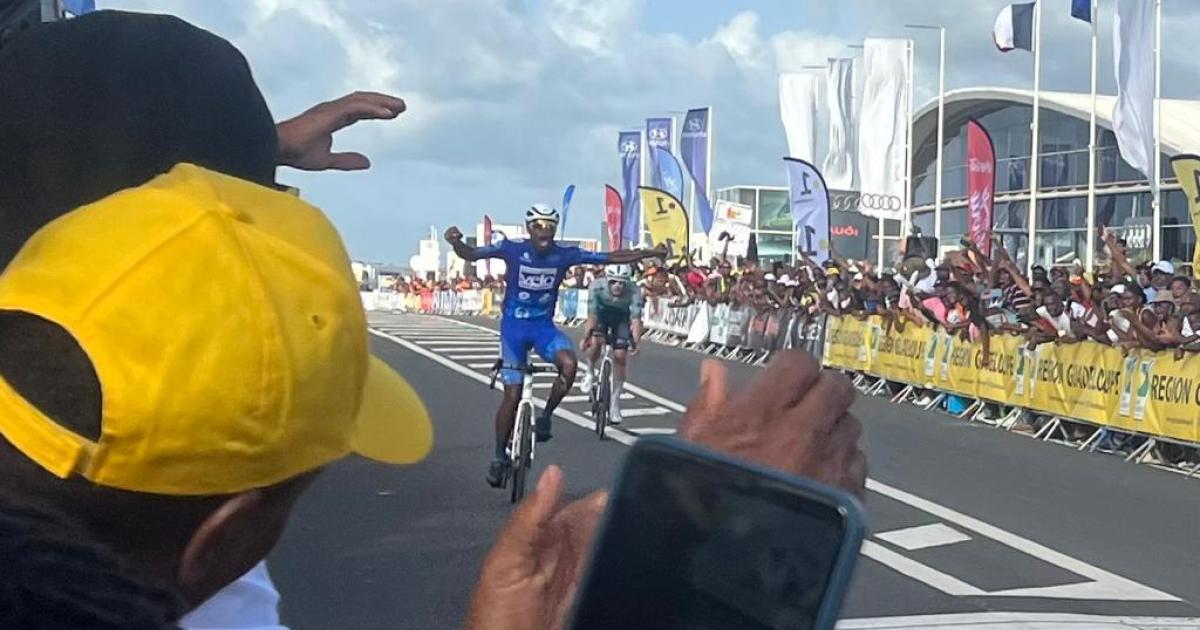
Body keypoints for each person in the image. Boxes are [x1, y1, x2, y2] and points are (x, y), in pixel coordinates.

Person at [444, 207, 664, 487]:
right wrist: (456, 243)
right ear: (529, 228)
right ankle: (499, 456)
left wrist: (647, 254)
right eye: (538, 225)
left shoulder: (565, 254)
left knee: (570, 365)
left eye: (549, 225)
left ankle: (546, 416)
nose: (544, 230)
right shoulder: (512, 248)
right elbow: (472, 255)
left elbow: (610, 257)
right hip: (513, 330)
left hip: (543, 329)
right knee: (511, 397)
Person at [580, 264, 644, 425]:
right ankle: (589, 371)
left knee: (620, 356)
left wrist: (635, 342)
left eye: (622, 283)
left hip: (621, 319)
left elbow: (636, 319)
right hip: (600, 316)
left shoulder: (634, 290)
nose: (618, 286)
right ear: (607, 281)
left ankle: (615, 402)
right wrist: (586, 336)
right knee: (596, 342)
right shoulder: (596, 287)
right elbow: (592, 315)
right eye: (614, 282)